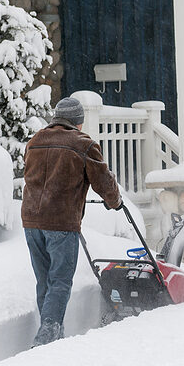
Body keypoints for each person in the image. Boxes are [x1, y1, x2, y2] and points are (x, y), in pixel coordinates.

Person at [22, 97, 122, 347]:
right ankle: (45, 339)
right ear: (78, 122)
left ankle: (54, 336)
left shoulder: (35, 141)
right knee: (60, 282)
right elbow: (103, 181)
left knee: (45, 280)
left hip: (31, 221)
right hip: (61, 222)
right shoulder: (83, 144)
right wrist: (115, 201)